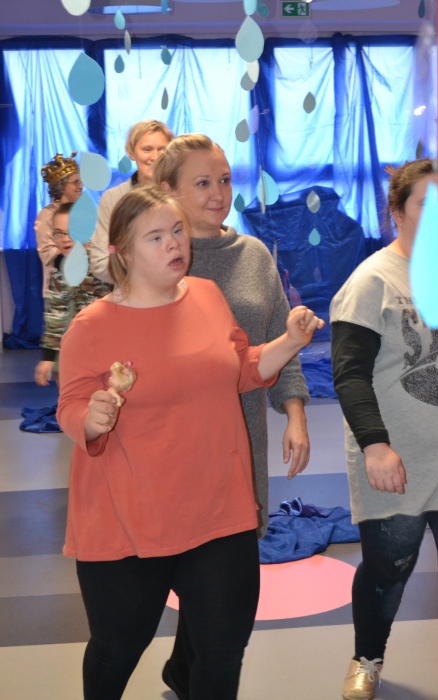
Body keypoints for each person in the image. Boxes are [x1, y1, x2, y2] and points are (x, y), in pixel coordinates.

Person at [56, 186, 324, 700]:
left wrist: (290, 341)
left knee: (221, 653)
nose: (175, 244)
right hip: (127, 520)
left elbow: (241, 369)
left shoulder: (206, 295)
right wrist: (90, 419)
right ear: (121, 252)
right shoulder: (91, 327)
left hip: (219, 512)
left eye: (177, 231)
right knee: (116, 650)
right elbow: (70, 405)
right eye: (155, 237)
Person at [151, 132, 313, 697]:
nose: (219, 193)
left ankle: (186, 671)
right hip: (173, 448)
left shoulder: (254, 255)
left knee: (224, 586)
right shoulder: (157, 258)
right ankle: (186, 670)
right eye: (202, 183)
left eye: (224, 180)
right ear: (167, 189)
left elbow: (281, 338)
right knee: (196, 575)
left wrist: (294, 413)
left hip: (242, 441)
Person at [330, 158, 438, 700]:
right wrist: (376, 445)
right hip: (396, 462)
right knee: (388, 571)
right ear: (397, 212)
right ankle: (367, 656)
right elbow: (349, 374)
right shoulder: (372, 281)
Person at [34, 202, 112, 389]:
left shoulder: (103, 261)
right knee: (68, 386)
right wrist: (48, 358)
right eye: (59, 233)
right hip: (77, 339)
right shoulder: (61, 266)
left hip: (108, 340)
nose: (65, 239)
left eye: (72, 232)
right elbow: (56, 312)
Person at [90, 119, 174, 282]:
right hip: (131, 294)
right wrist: (151, 274)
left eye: (162, 149)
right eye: (147, 149)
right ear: (131, 152)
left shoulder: (183, 195)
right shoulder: (113, 199)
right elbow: (100, 263)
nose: (155, 157)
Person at [35, 151, 83, 295]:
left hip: (87, 288)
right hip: (60, 289)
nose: (81, 186)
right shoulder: (47, 215)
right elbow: (47, 253)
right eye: (76, 182)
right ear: (61, 186)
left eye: (81, 181)